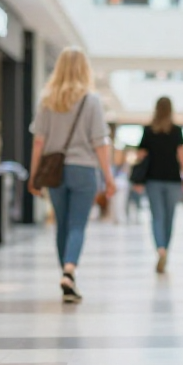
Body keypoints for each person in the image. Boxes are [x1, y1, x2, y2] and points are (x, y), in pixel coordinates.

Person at [28, 47, 116, 303]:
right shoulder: (92, 101)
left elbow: (38, 142)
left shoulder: (47, 100)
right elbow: (100, 142)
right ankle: (69, 271)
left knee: (62, 225)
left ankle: (66, 274)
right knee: (78, 225)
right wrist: (108, 177)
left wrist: (34, 176)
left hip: (54, 171)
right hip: (84, 169)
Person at [136, 97, 183, 273]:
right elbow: (181, 157)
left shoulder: (148, 131)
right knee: (169, 217)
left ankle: (160, 249)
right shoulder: (176, 131)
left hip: (153, 180)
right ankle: (165, 249)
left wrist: (137, 176)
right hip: (173, 180)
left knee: (157, 216)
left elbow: (140, 156)